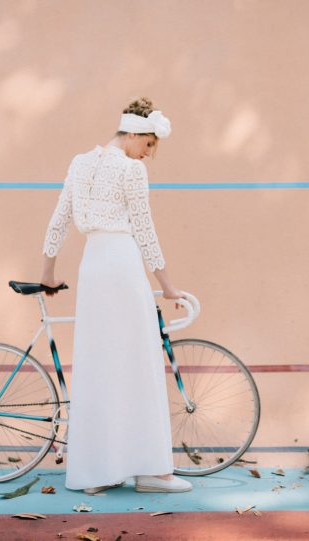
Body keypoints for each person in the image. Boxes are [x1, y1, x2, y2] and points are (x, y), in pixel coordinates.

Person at [40, 97, 192, 494]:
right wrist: (167, 286)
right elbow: (144, 230)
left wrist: (48, 276)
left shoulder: (79, 163)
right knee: (138, 362)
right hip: (123, 267)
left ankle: (96, 473)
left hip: (92, 268)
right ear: (136, 134)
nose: (148, 154)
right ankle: (153, 472)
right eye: (149, 145)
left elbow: (58, 222)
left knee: (96, 365)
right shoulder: (131, 170)